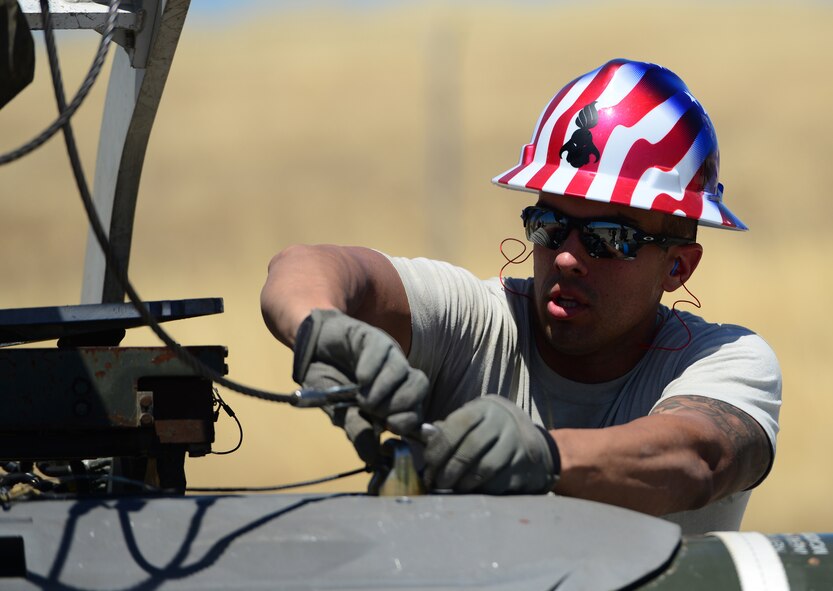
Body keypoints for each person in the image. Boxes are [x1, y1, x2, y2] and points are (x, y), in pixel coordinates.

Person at [260, 59, 781, 534]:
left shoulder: (727, 360)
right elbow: (304, 265)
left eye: (608, 237)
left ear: (677, 266)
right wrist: (321, 328)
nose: (569, 256)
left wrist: (542, 457)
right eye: (550, 225)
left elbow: (700, 457)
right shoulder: (479, 320)